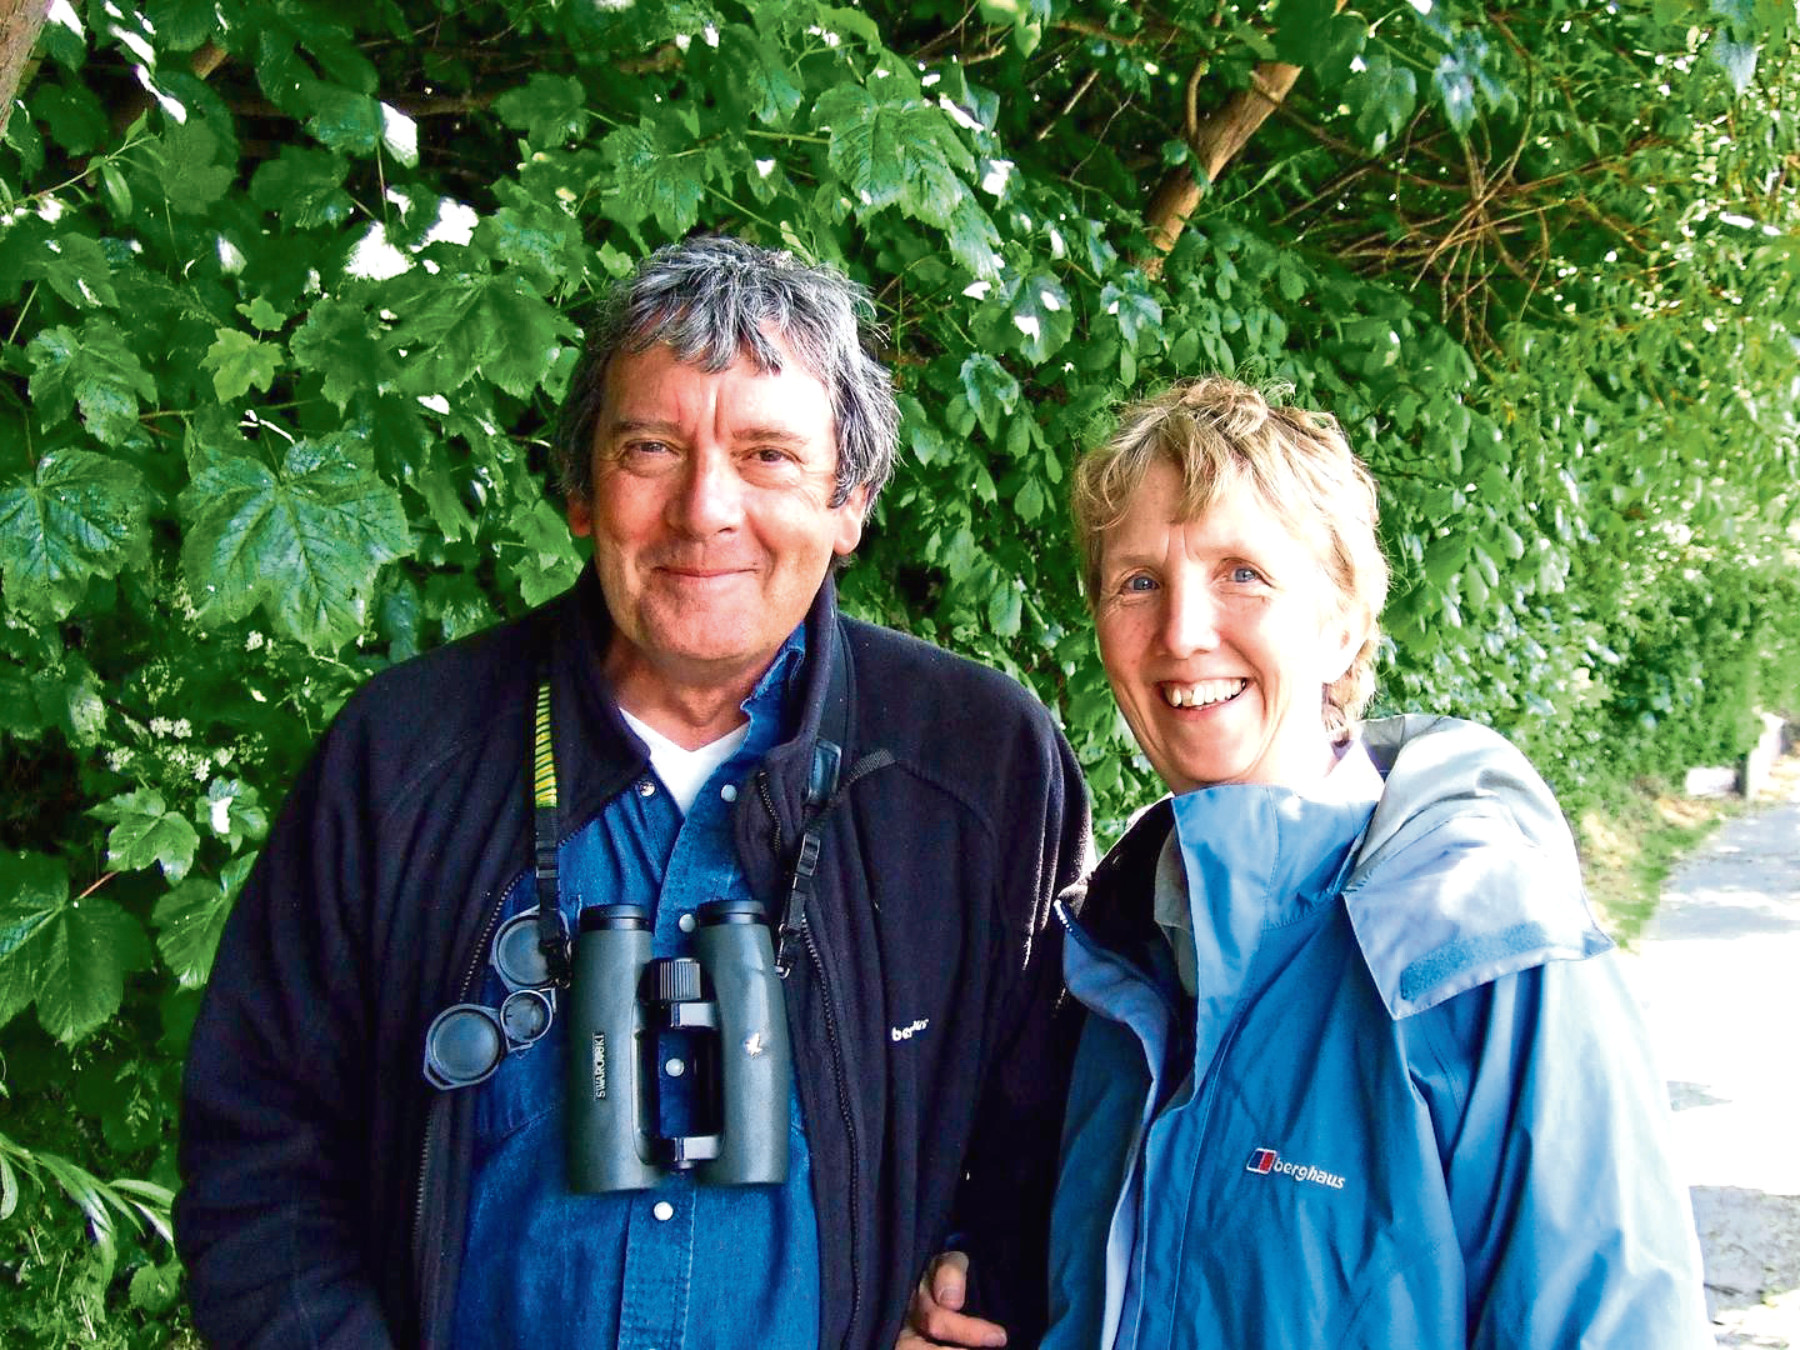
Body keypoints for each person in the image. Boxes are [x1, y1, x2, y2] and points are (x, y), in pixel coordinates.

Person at [175, 235, 1090, 1349]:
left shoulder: (977, 766)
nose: (705, 509)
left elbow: (1055, 1135)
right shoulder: (404, 756)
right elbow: (257, 1153)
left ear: (850, 502)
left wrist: (976, 1281)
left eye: (767, 456)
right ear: (578, 488)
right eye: (652, 447)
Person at [908, 375, 1712, 1348]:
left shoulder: (1481, 943)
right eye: (1138, 582)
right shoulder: (1108, 953)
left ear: (1342, 623)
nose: (1183, 630)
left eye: (1242, 572)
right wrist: (985, 1280)